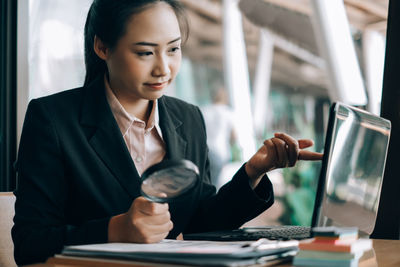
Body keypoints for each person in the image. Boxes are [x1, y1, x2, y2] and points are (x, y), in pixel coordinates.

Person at [12, 0, 323, 265]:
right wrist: (115, 230)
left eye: (173, 49)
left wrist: (254, 172)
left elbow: (200, 222)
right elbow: (29, 245)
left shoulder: (187, 118)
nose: (164, 68)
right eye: (146, 53)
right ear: (102, 47)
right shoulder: (53, 120)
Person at [201, 87, 237, 186]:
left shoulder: (204, 110)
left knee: (204, 181)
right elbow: (234, 137)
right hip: (220, 153)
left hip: (204, 152)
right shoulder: (228, 112)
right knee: (214, 184)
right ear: (225, 98)